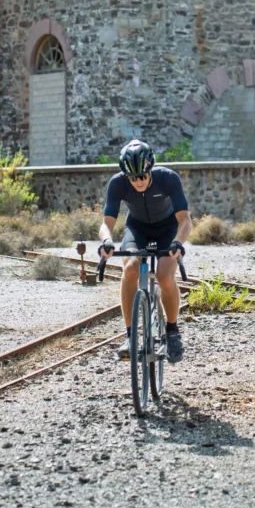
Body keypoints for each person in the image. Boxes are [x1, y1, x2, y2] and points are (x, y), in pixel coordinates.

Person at [97, 138, 191, 363]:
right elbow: (106, 223)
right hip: (137, 229)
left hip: (167, 229)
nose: (138, 181)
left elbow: (185, 220)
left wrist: (178, 243)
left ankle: (172, 331)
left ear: (150, 170)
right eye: (133, 178)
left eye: (143, 176)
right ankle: (130, 336)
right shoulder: (117, 183)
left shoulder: (168, 178)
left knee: (164, 276)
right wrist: (107, 241)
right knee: (130, 268)